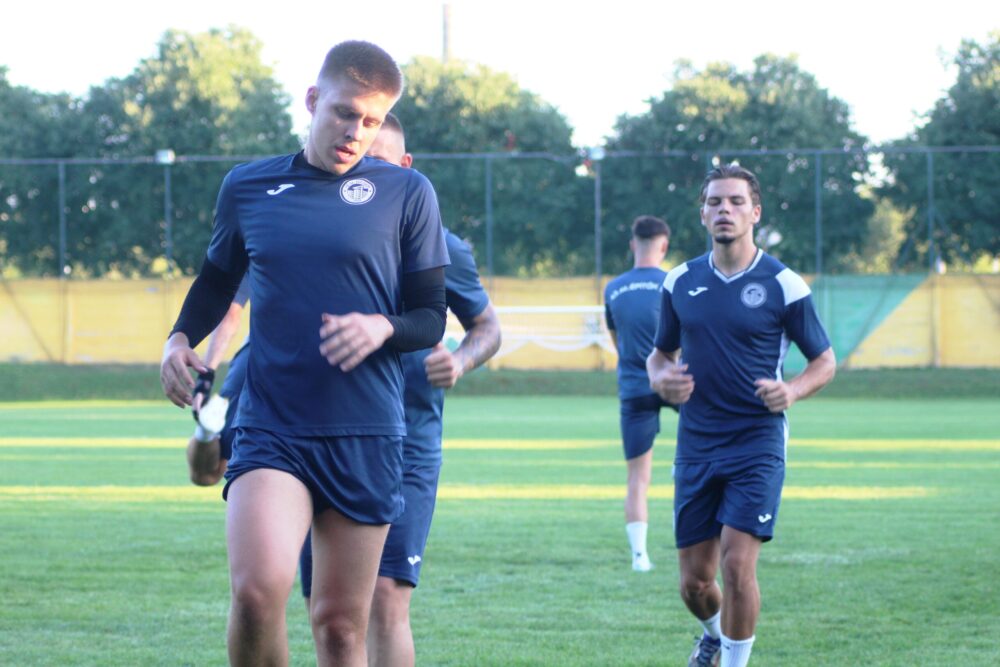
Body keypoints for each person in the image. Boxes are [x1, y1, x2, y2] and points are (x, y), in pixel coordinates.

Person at [159, 41, 450, 667]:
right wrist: (179, 338)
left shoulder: (408, 192)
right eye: (345, 113)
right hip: (273, 425)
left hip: (366, 432)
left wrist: (381, 327)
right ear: (314, 100)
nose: (355, 132)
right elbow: (216, 280)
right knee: (256, 595)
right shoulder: (248, 185)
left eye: (371, 120)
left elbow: (430, 316)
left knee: (341, 629)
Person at [299, 112, 502, 667]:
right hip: (321, 441)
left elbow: (488, 328)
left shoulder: (441, 246)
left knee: (386, 597)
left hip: (407, 444)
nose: (366, 177)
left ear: (407, 168)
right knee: (330, 611)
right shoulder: (314, 238)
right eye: (358, 163)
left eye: (381, 163)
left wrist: (460, 360)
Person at [646, 164, 835, 667]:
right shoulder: (679, 281)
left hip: (757, 443)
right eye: (714, 202)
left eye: (735, 201)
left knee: (736, 565)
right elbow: (659, 355)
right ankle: (713, 637)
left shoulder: (784, 284)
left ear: (755, 213)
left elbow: (824, 361)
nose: (724, 210)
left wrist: (791, 390)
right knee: (694, 583)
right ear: (703, 214)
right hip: (696, 443)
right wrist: (660, 378)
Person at [603, 215, 676, 572]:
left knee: (637, 477)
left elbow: (616, 340)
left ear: (633, 244)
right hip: (676, 381)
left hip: (634, 387)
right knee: (701, 460)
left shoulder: (613, 288)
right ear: (664, 246)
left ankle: (639, 556)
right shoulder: (674, 283)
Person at [185, 276, 250, 487]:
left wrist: (206, 377)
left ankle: (207, 431)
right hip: (329, 350)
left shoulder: (261, 253)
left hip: (258, 356)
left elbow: (231, 311)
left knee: (206, 474)